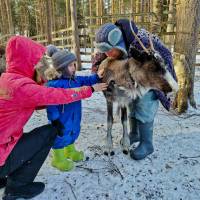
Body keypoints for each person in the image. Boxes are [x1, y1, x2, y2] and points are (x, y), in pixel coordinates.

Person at [0, 36, 107, 200]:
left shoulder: (7, 80)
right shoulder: (21, 86)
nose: (41, 67)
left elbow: (32, 101)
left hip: (4, 145)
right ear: (28, 61)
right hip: (2, 153)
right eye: (38, 62)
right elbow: (54, 95)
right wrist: (90, 89)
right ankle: (17, 187)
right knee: (50, 132)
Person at [92, 19, 177, 160]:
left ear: (118, 43)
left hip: (150, 78)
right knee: (131, 102)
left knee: (145, 104)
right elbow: (97, 64)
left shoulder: (140, 42)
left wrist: (165, 84)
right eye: (104, 51)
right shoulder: (106, 44)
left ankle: (147, 143)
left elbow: (162, 63)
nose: (107, 54)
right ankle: (134, 133)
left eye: (109, 50)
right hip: (131, 78)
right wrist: (98, 76)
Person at [45, 45, 104, 171]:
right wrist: (54, 120)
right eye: (71, 65)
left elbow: (87, 80)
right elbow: (50, 104)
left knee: (72, 132)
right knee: (60, 137)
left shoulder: (75, 80)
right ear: (61, 68)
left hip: (74, 117)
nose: (74, 68)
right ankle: (58, 159)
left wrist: (97, 76)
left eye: (74, 64)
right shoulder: (54, 85)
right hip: (61, 119)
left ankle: (70, 152)